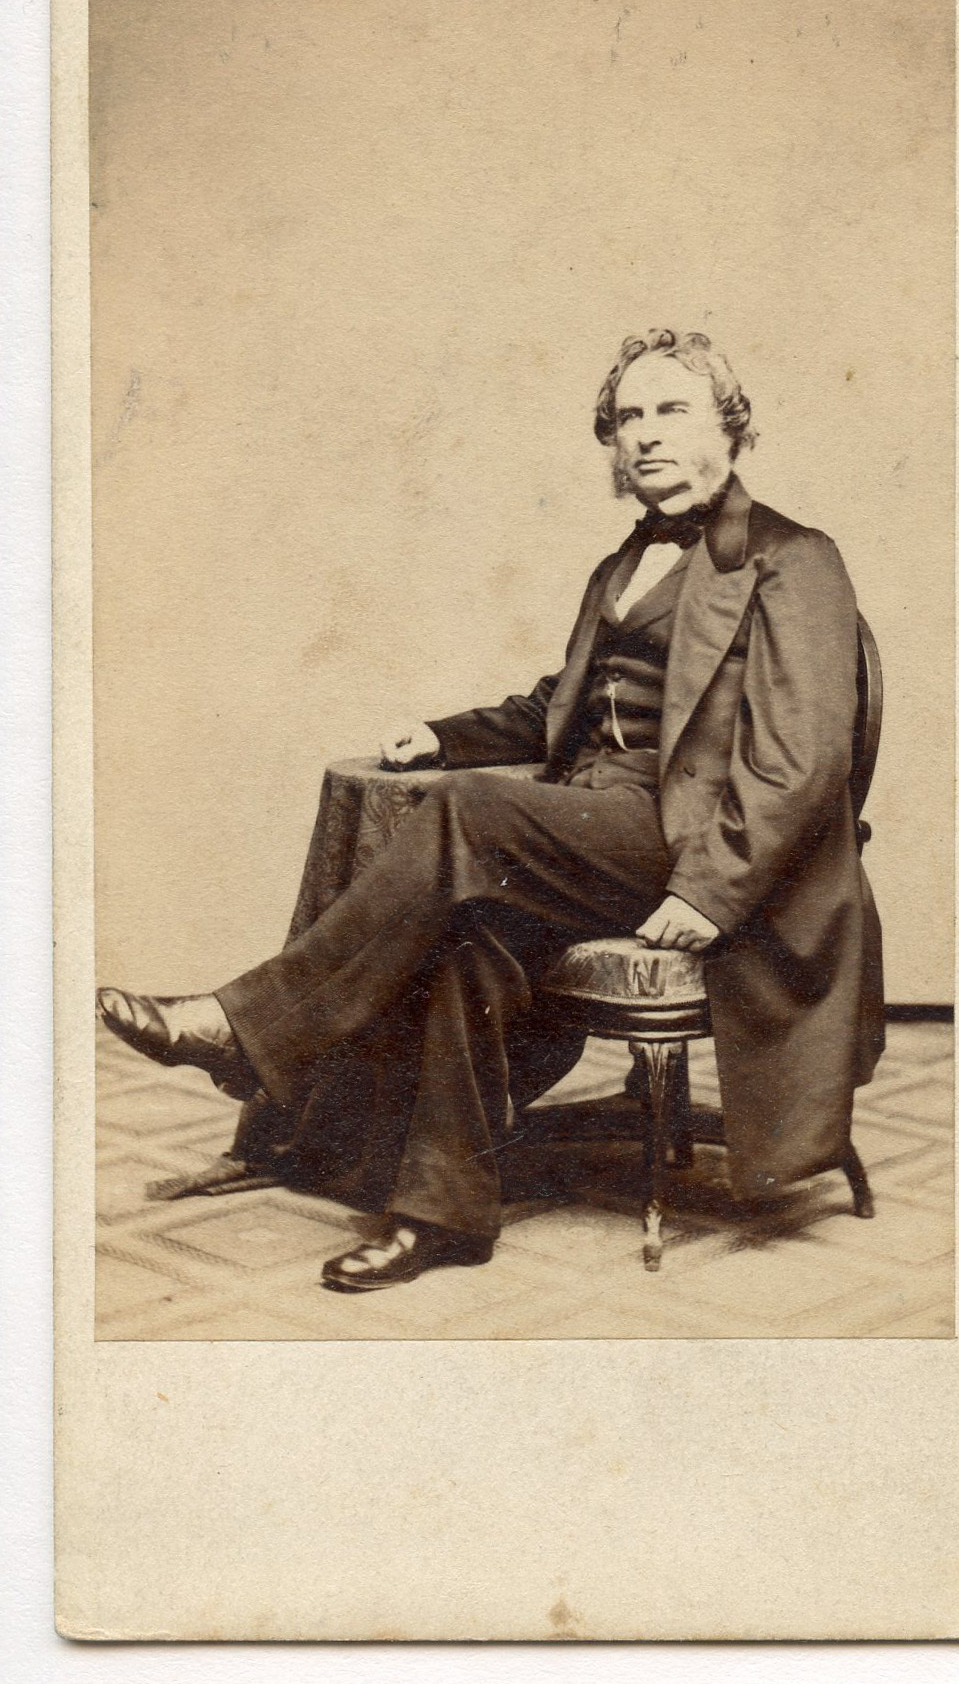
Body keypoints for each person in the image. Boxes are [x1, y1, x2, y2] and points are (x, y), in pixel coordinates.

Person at [97, 327, 885, 1293]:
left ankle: (246, 1026)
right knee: (466, 935)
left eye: (671, 409)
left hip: (695, 851)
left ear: (730, 428)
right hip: (593, 832)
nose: (644, 435)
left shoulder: (793, 559)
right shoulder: (620, 568)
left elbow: (803, 761)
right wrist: (442, 736)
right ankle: (442, 1214)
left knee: (467, 816)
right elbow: (558, 703)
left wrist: (712, 892)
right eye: (626, 417)